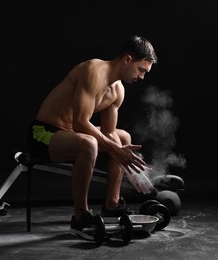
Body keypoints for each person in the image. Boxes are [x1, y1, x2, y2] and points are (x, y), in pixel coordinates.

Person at [27, 34, 158, 240]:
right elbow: (81, 122)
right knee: (89, 143)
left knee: (123, 138)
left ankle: (112, 205)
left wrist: (133, 167)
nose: (142, 77)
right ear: (127, 59)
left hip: (71, 136)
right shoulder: (93, 71)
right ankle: (80, 218)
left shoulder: (118, 91)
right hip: (44, 133)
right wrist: (117, 151)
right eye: (141, 70)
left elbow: (109, 133)